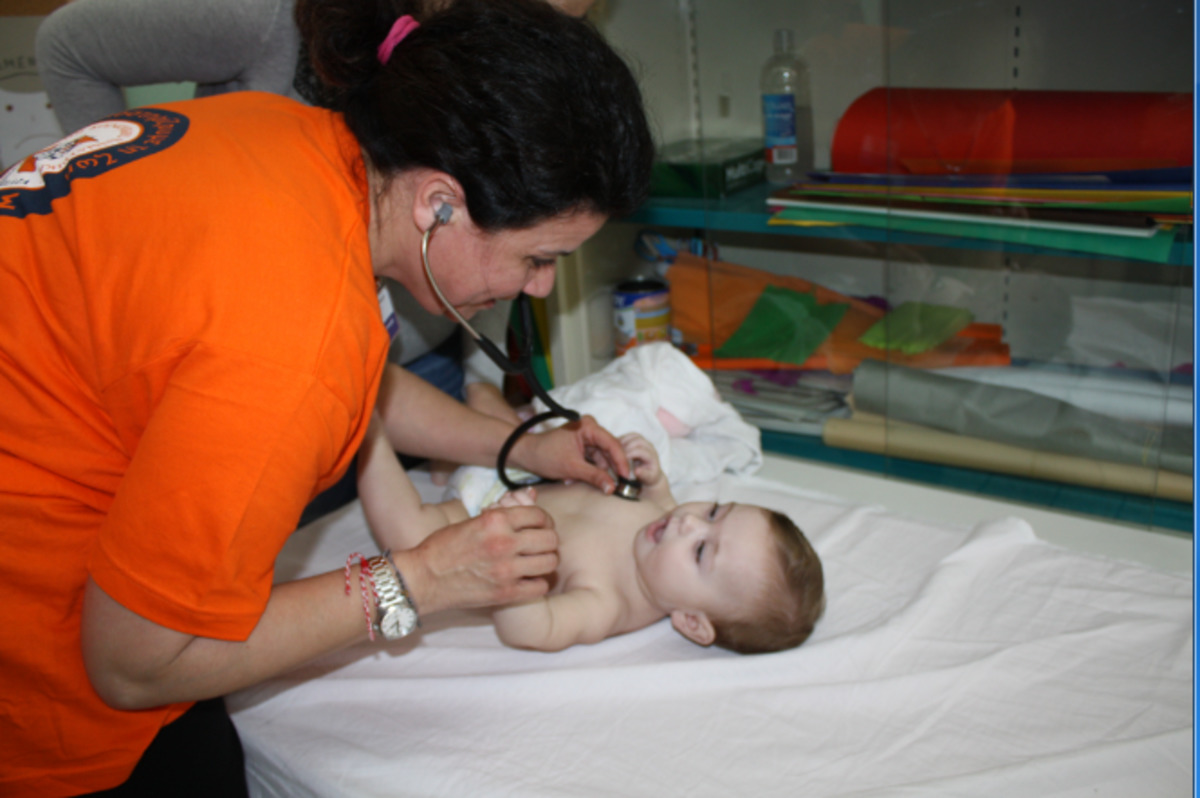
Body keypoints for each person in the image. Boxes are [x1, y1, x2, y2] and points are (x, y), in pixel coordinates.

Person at [0, 0, 654, 795]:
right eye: (539, 258)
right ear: (438, 203)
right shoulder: (290, 341)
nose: (541, 288)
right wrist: (424, 579)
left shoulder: (279, 137)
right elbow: (132, 666)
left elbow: (345, 376)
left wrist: (524, 445)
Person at [34, 0, 595, 493]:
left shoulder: (336, 201)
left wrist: (514, 434)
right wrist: (422, 572)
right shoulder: (283, 318)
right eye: (532, 29)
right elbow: (164, 593)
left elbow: (498, 242)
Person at [358, 422, 826, 654]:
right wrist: (654, 479)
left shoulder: (609, 602)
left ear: (691, 622)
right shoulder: (664, 525)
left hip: (472, 519)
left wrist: (515, 552)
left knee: (409, 535)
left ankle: (366, 432)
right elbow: (665, 503)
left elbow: (531, 632)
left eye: (703, 550)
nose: (689, 523)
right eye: (714, 512)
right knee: (509, 422)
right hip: (521, 470)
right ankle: (481, 383)